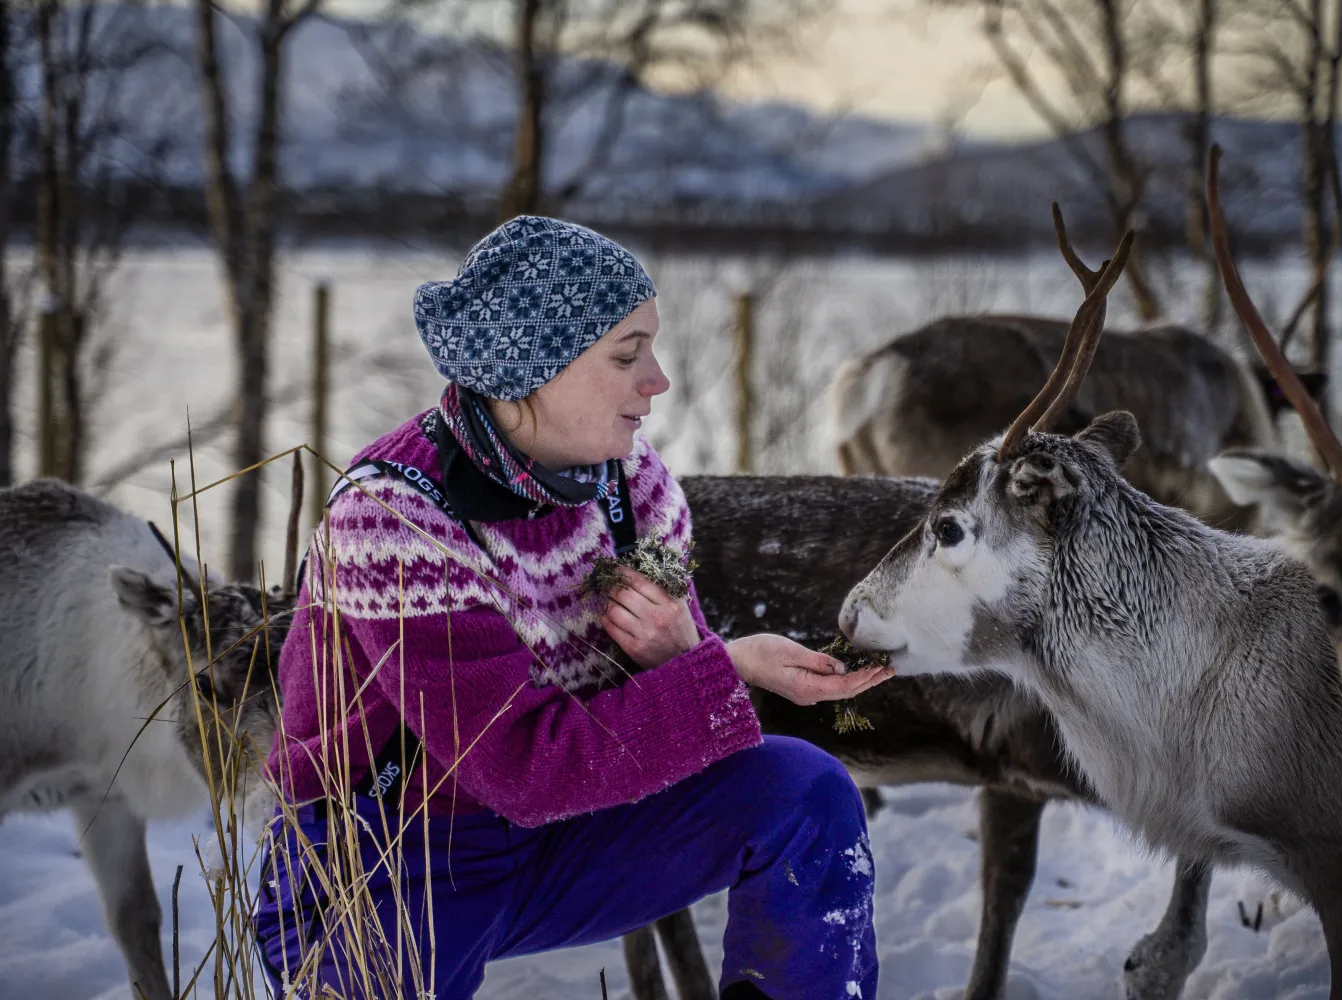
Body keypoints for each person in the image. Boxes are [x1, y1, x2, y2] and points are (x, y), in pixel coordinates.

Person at [256, 216, 895, 1000]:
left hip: (565, 843)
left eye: (651, 348)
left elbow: (666, 724)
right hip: (393, 862)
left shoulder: (630, 483)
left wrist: (685, 656)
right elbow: (521, 769)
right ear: (531, 369)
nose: (657, 380)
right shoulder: (395, 518)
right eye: (627, 356)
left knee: (804, 793)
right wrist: (719, 669)